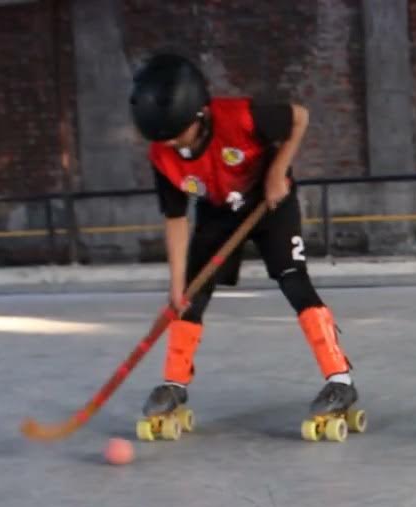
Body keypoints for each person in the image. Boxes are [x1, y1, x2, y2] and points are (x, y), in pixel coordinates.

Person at [128, 52, 357, 435]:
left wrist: (278, 171)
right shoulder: (163, 154)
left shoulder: (241, 117)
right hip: (218, 211)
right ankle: (174, 384)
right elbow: (176, 218)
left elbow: (298, 116)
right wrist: (175, 285)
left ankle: (341, 381)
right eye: (163, 139)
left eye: (176, 135)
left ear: (199, 115)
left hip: (269, 201)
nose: (172, 145)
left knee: (292, 279)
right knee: (190, 295)